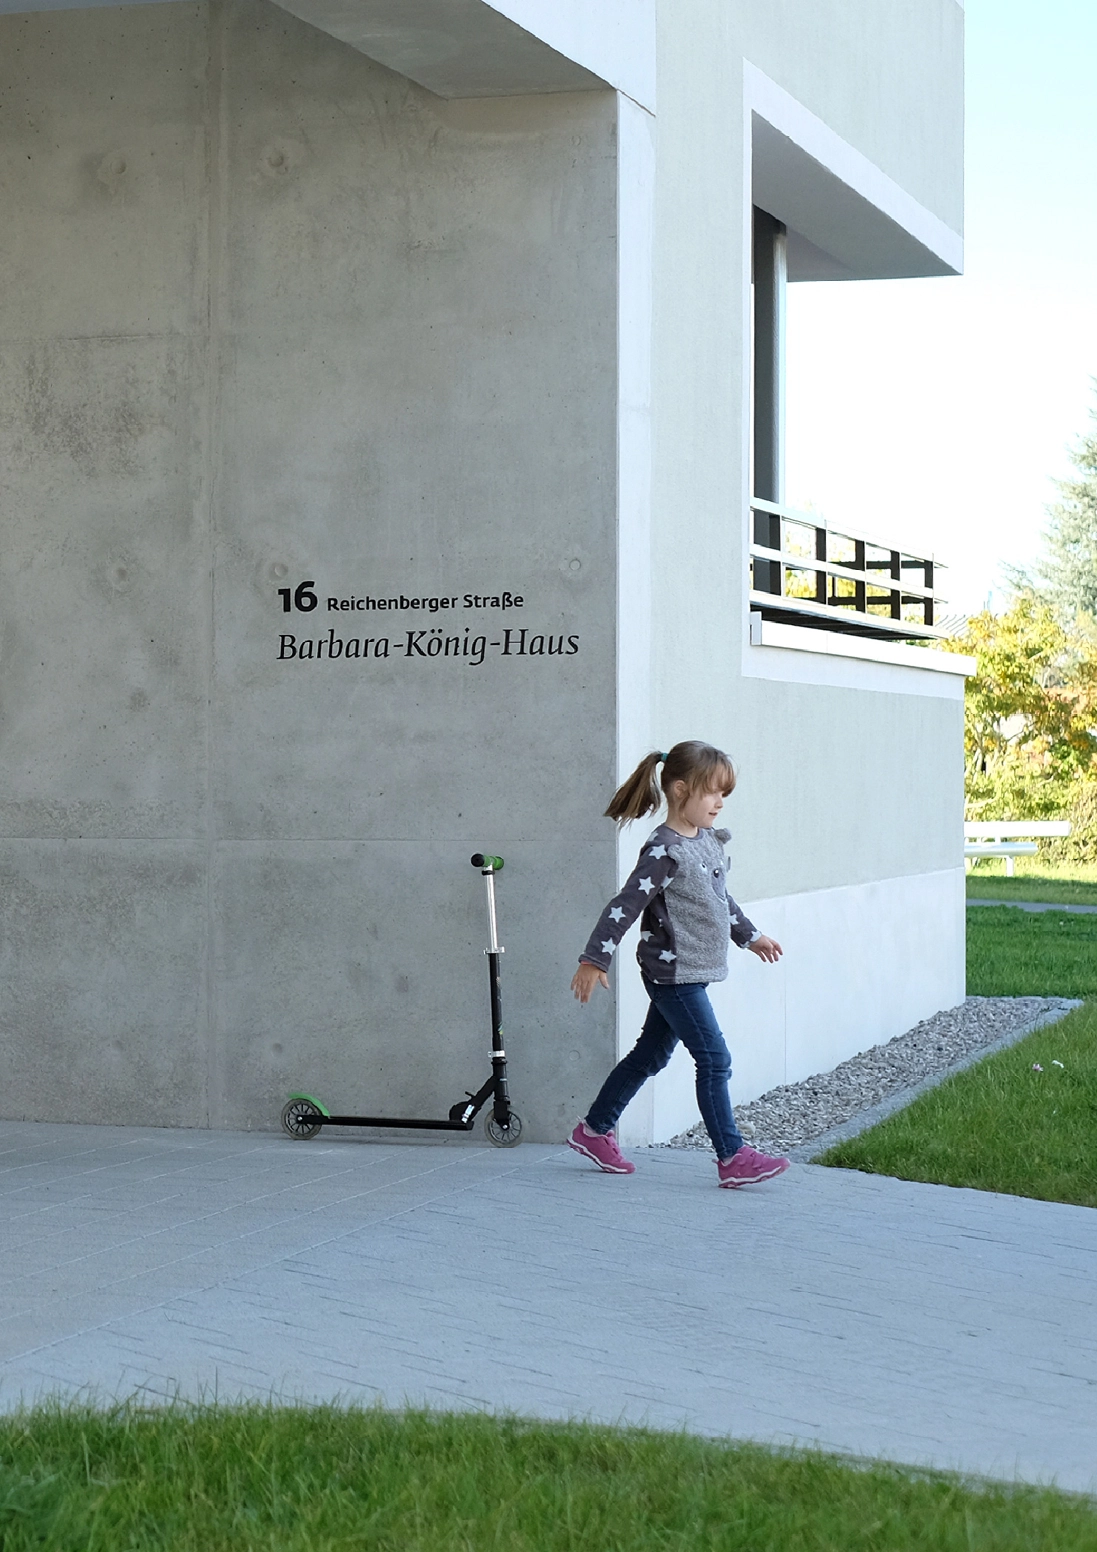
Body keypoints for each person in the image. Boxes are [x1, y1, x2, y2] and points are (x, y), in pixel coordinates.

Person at [568, 741, 790, 1188]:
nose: (720, 802)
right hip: (672, 975)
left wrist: (751, 936)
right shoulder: (664, 849)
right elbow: (625, 906)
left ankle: (593, 1130)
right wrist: (595, 958)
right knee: (714, 1058)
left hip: (691, 970)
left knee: (649, 1056)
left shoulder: (704, 841)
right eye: (711, 793)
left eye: (724, 793)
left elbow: (718, 899)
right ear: (679, 790)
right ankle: (731, 1156)